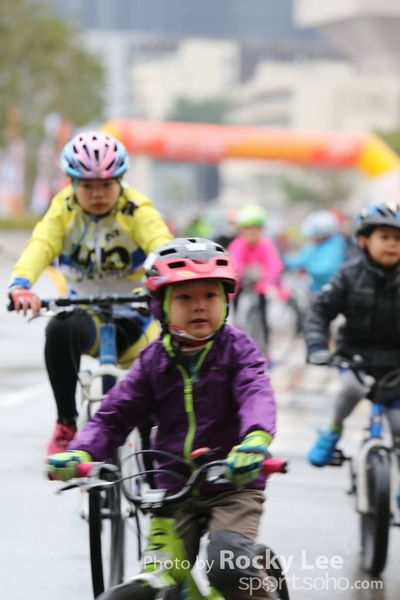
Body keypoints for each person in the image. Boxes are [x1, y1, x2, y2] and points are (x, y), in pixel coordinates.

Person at [47, 237, 277, 600]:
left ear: (225, 301)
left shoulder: (238, 350)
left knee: (228, 564)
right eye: (184, 297)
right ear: (161, 307)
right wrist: (81, 452)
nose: (199, 306)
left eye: (210, 295)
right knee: (161, 577)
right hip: (172, 492)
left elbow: (255, 393)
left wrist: (255, 440)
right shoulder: (153, 361)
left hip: (233, 484)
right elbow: (114, 414)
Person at [8, 131, 173, 456]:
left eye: (106, 185)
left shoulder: (136, 208)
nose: (97, 193)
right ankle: (66, 422)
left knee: (152, 400)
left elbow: (160, 243)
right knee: (59, 327)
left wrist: (168, 275)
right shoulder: (63, 209)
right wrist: (20, 284)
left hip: (138, 317)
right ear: (72, 184)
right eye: (87, 186)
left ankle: (154, 458)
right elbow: (41, 244)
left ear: (120, 181)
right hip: (88, 316)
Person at [306, 202, 400, 470]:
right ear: (363, 241)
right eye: (384, 237)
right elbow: (320, 311)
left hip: (396, 363)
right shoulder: (348, 275)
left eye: (398, 238)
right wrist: (317, 346)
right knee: (350, 389)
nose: (392, 244)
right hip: (355, 357)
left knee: (398, 427)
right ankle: (332, 429)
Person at [227, 204, 285, 363]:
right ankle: (236, 345)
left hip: (260, 285)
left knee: (264, 316)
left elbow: (274, 265)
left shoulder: (266, 245)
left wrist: (273, 281)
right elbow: (234, 264)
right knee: (236, 312)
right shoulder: (237, 245)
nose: (252, 233)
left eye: (256, 229)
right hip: (240, 284)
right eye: (248, 229)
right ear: (242, 230)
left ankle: (265, 350)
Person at [284, 209, 346, 294]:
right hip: (314, 291)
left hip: (330, 291)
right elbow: (299, 260)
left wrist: (307, 267)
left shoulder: (335, 245)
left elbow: (326, 269)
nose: (313, 239)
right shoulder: (312, 246)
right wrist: (283, 259)